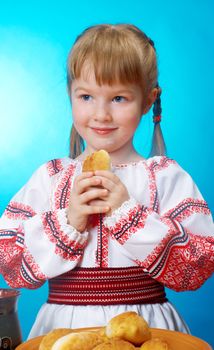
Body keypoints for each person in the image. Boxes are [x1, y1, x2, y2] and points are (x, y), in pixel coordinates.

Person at [0, 24, 213, 339]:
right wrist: (67, 221)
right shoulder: (51, 177)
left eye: (118, 98)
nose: (100, 114)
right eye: (86, 96)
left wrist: (129, 214)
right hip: (63, 330)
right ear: (70, 95)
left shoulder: (166, 176)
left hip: (147, 328)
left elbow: (196, 269)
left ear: (147, 100)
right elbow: (10, 265)